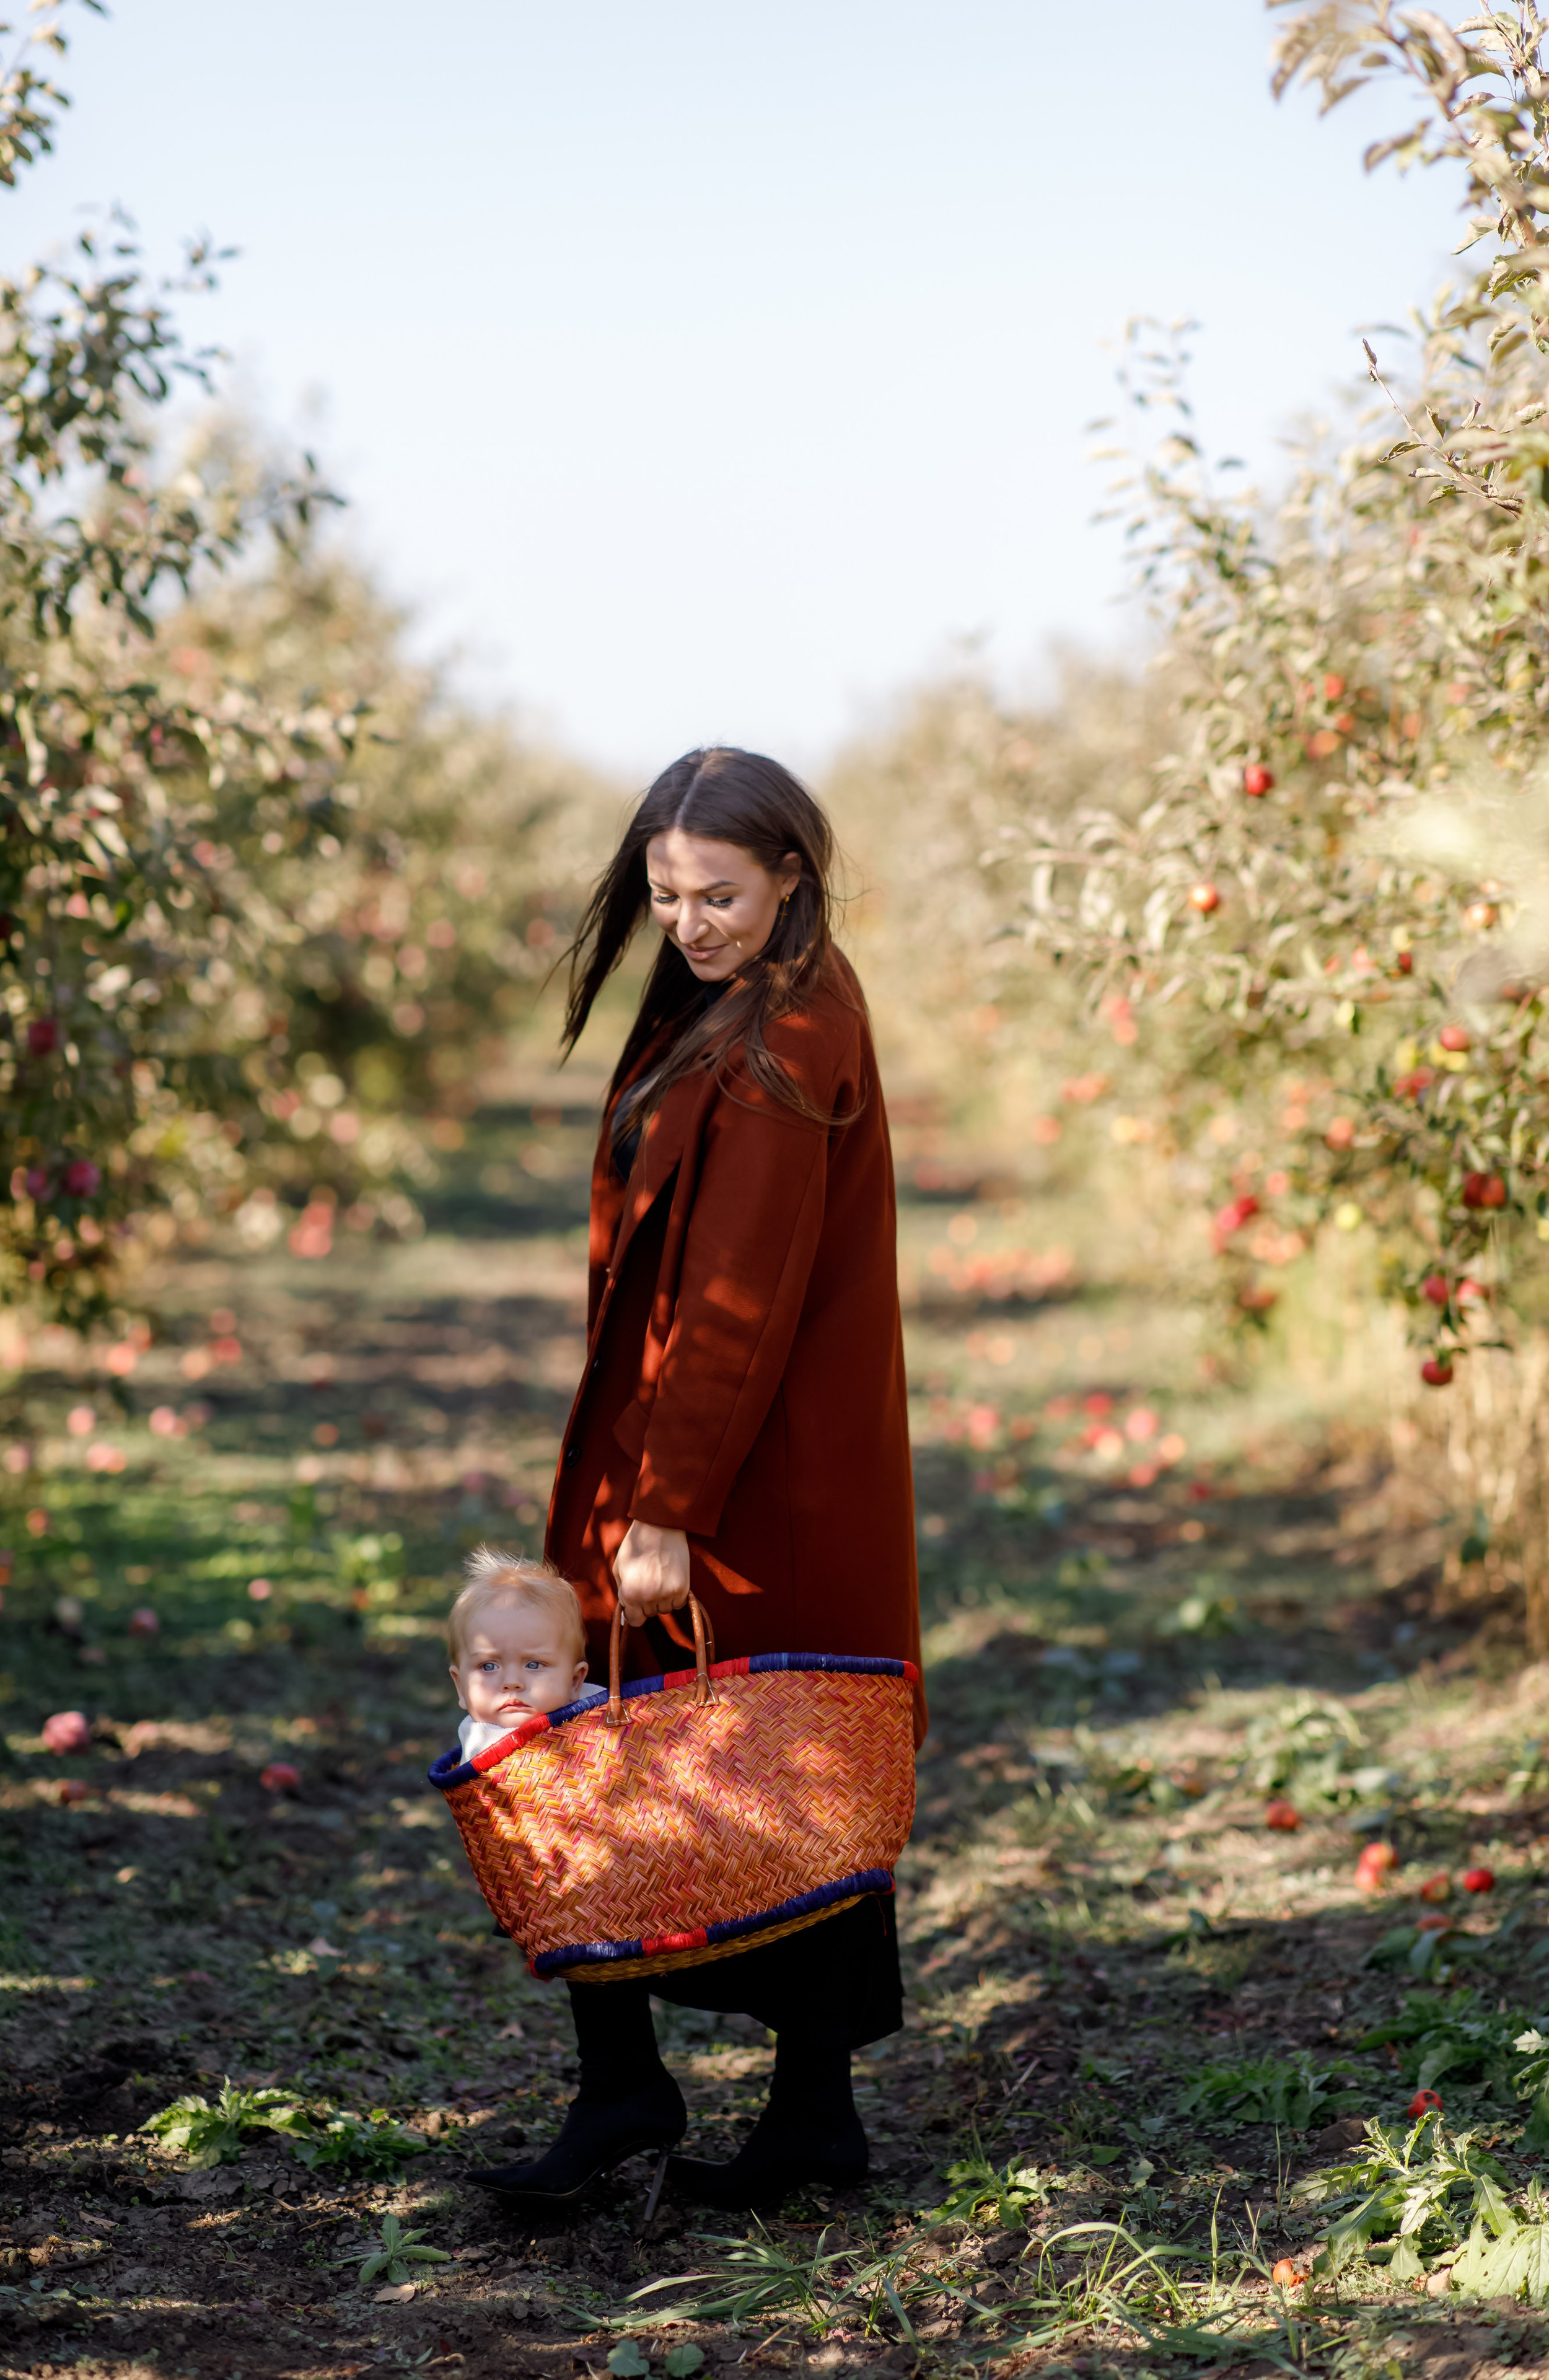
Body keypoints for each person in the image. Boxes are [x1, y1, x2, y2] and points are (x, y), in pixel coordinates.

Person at [468, 744, 923, 2215]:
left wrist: (666, 1498)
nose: (686, 917)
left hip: (738, 1468)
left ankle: (733, 2103)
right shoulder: (742, 992)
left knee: (742, 1751)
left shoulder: (792, 1024)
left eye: (715, 890)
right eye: (663, 892)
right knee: (696, 1744)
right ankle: (703, 2095)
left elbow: (738, 1291)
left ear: (790, 870)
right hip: (708, 1447)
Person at [447, 1552, 591, 1765]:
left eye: (533, 1665)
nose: (511, 1682)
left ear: (575, 1681)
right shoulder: (478, 1748)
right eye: (488, 1666)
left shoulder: (599, 1725)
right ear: (461, 1687)